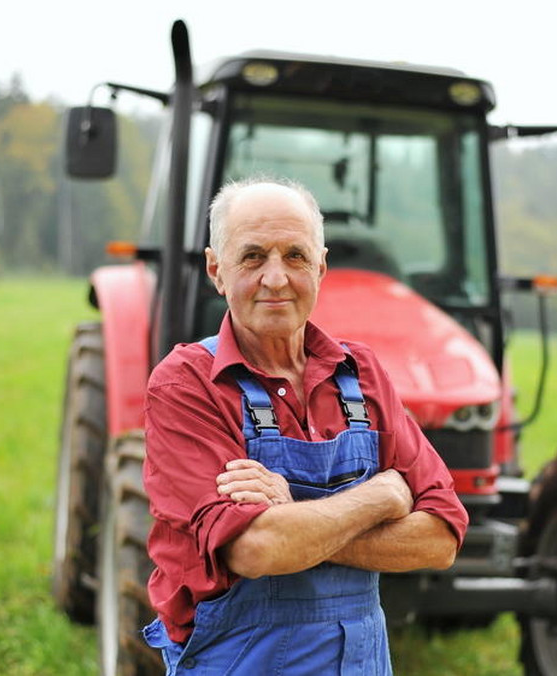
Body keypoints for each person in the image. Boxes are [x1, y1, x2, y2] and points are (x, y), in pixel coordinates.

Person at [141, 177, 468, 675]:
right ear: (216, 270)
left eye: (295, 256)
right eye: (253, 257)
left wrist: (293, 514)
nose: (276, 278)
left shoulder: (362, 376)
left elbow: (441, 537)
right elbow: (257, 548)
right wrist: (381, 498)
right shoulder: (188, 385)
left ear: (321, 267)